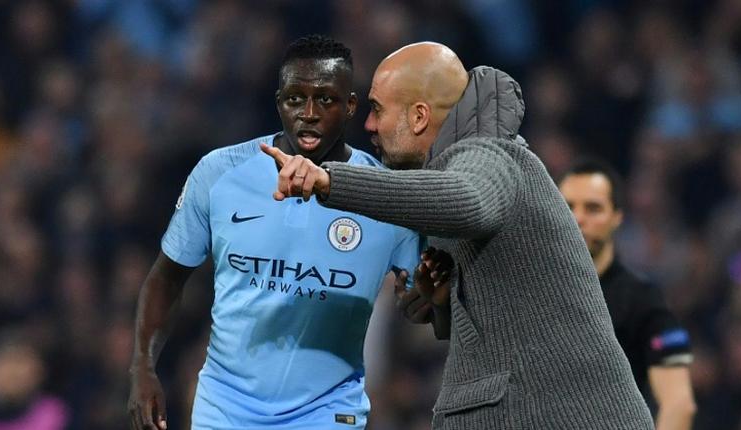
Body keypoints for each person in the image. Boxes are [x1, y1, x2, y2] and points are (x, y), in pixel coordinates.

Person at [262, 42, 655, 429]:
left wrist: (330, 181)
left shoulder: (490, 155)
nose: (368, 125)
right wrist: (443, 305)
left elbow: (469, 202)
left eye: (377, 109)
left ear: (418, 117)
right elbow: (511, 327)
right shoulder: (452, 173)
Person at [127, 35, 421, 430]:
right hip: (225, 406)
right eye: (295, 99)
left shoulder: (387, 195)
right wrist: (143, 368)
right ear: (278, 100)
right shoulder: (219, 173)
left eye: (326, 99)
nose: (309, 113)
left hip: (327, 411)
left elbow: (428, 304)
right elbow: (167, 276)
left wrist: (422, 302)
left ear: (351, 105)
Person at [557, 159, 697, 429]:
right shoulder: (530, 294)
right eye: (567, 207)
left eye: (593, 208)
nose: (578, 219)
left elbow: (679, 402)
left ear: (617, 217)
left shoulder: (645, 301)